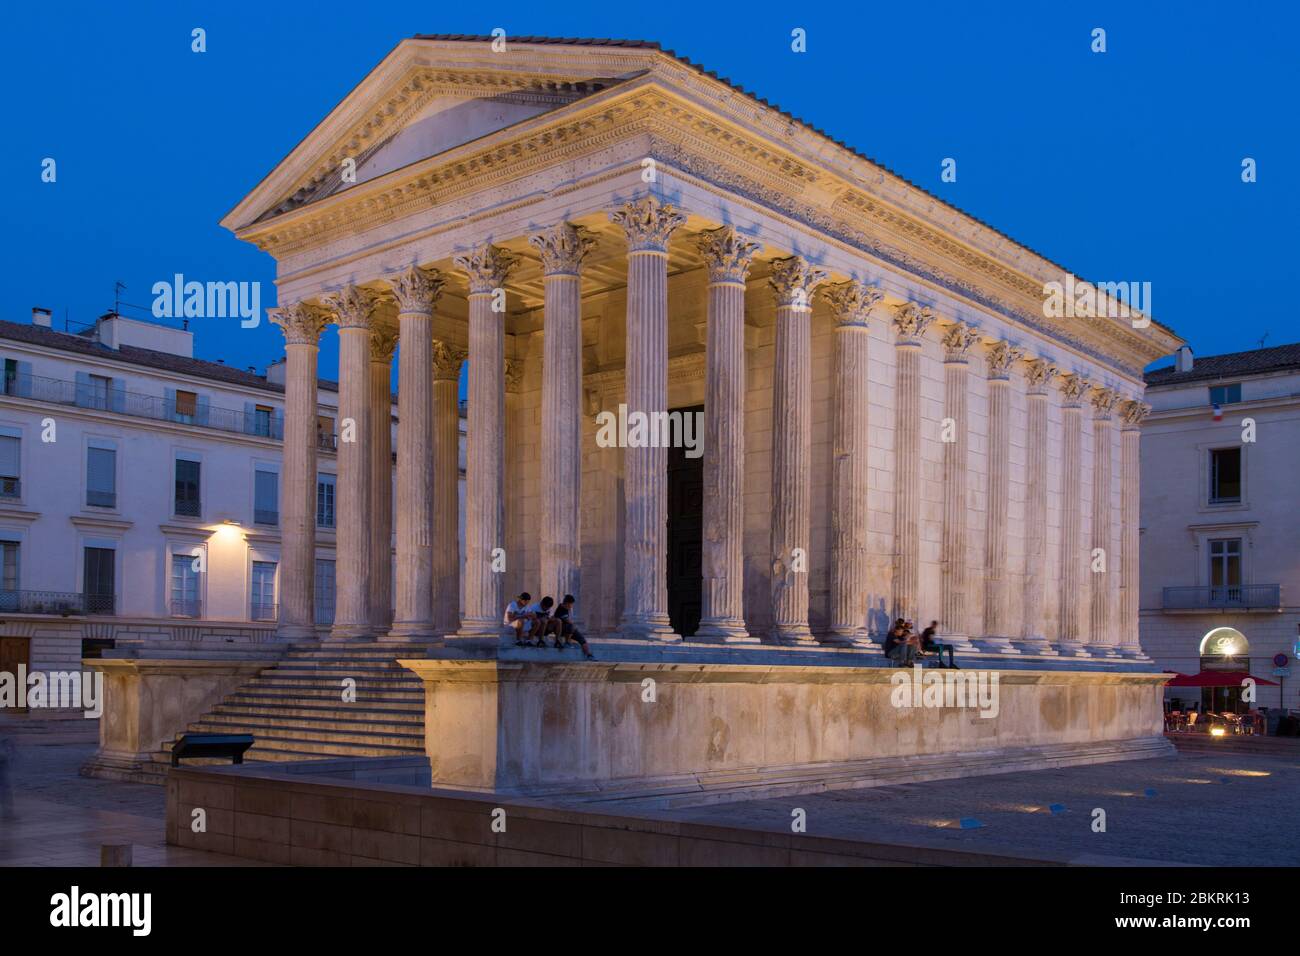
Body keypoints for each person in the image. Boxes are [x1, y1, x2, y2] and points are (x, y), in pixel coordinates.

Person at [554, 594, 595, 660]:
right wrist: (574, 626)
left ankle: (588, 655)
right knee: (571, 626)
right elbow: (567, 621)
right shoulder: (561, 609)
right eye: (571, 604)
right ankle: (567, 642)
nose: (571, 606)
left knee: (582, 640)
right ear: (567, 603)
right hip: (562, 630)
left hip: (569, 630)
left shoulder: (566, 609)